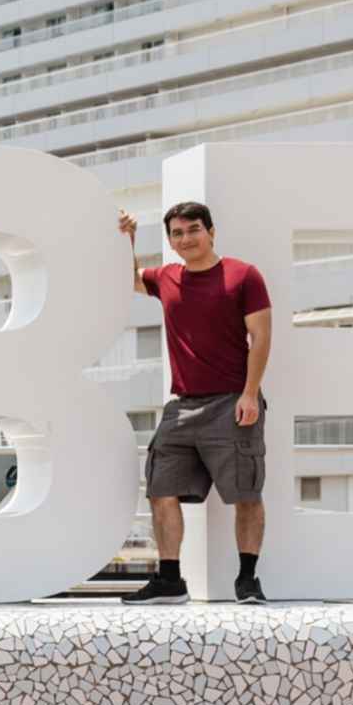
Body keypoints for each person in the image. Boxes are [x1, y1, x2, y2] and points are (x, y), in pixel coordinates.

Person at [118, 202, 272, 605]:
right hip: (181, 407)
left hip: (232, 403)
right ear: (170, 239)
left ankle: (248, 579)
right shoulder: (166, 277)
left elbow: (261, 336)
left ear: (212, 232)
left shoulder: (243, 275)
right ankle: (170, 580)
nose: (186, 238)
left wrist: (251, 392)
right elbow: (126, 279)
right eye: (177, 233)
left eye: (194, 230)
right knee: (160, 488)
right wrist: (129, 241)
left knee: (246, 493)